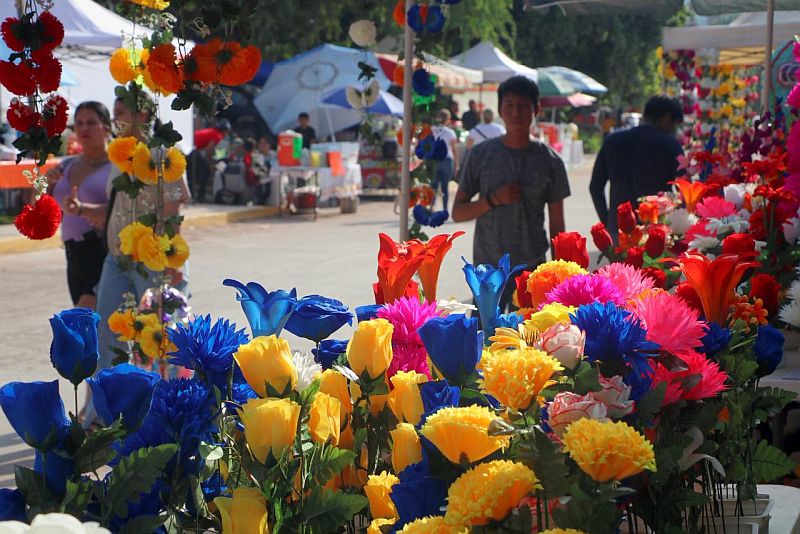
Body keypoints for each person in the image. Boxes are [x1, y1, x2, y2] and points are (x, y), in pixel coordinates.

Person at [452, 75, 570, 311]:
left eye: (523, 106)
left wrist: (560, 272)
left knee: (529, 333)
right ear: (499, 110)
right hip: (487, 271)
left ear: (536, 110)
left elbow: (557, 225)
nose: (516, 113)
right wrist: (493, 200)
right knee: (486, 333)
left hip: (532, 270)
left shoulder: (550, 160)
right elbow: (458, 213)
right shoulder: (481, 155)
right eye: (509, 105)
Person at [95, 92, 191, 380]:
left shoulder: (163, 153)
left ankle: (163, 401)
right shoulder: (119, 152)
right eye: (115, 113)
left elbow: (173, 208)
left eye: (121, 113)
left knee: (157, 338)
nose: (116, 120)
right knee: (108, 331)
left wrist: (172, 261)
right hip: (117, 257)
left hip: (155, 262)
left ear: (144, 114)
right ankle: (110, 400)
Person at [46, 101, 113, 309]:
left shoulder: (116, 166)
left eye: (91, 122)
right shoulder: (66, 165)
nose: (84, 128)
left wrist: (82, 209)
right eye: (79, 123)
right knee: (88, 320)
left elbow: (121, 210)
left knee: (82, 317)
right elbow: (41, 211)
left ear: (106, 127)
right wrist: (46, 186)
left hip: (101, 249)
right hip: (73, 252)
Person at [589, 95, 684, 238]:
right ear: (666, 118)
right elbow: (684, 189)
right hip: (657, 233)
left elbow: (595, 187)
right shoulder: (670, 145)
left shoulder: (612, 141)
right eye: (675, 124)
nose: (674, 130)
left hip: (619, 232)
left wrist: (608, 222)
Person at [189, 118, 230, 202]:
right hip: (192, 149)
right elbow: (209, 150)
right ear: (225, 131)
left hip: (188, 148)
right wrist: (209, 163)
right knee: (206, 172)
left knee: (192, 172)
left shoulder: (212, 131)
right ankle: (200, 195)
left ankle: (192, 195)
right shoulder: (218, 135)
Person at [431, 109, 459, 212]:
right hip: (446, 160)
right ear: (448, 119)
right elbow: (454, 149)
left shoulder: (432, 130)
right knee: (444, 186)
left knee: (433, 186)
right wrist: (457, 164)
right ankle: (445, 209)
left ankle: (431, 207)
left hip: (434, 160)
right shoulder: (450, 132)